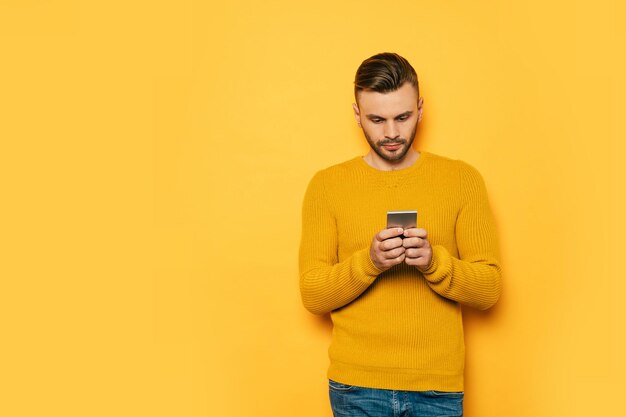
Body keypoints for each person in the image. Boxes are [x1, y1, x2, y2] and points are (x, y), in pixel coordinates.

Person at [298, 52, 502, 417]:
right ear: (357, 114)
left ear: (421, 109)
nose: (391, 133)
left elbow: (489, 290)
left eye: (402, 117)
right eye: (376, 119)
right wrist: (370, 262)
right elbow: (313, 294)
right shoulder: (327, 186)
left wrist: (434, 262)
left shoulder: (461, 179)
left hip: (436, 388)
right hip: (355, 385)